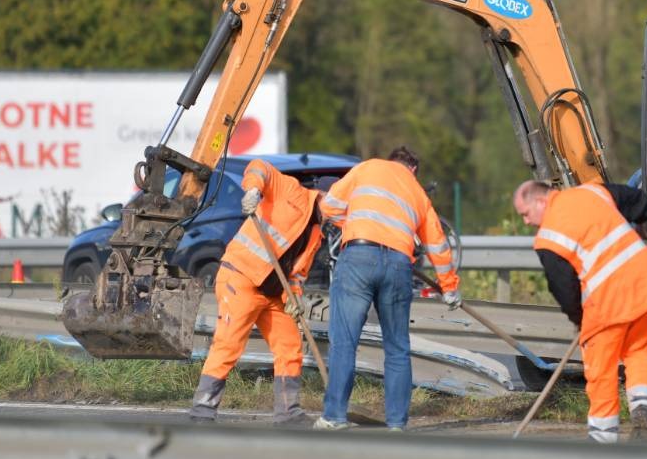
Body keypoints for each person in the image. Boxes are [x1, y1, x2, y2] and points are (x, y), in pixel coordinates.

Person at [513, 179, 647, 444]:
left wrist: (579, 320)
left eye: (526, 213)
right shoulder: (592, 191)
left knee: (601, 369)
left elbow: (563, 288)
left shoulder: (549, 237)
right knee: (638, 352)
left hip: (608, 300)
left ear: (540, 202)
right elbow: (637, 199)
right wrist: (645, 222)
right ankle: (643, 406)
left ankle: (602, 439)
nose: (526, 221)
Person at [316, 146, 459, 430]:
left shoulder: (367, 168)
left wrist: (356, 225)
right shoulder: (417, 192)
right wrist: (449, 287)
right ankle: (396, 423)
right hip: (398, 263)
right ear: (413, 170)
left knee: (345, 342)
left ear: (390, 160)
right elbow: (438, 245)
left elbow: (328, 206)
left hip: (358, 255)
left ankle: (334, 417)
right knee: (397, 348)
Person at [189, 158, 326, 425]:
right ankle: (202, 412)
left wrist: (293, 298)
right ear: (323, 197)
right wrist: (253, 189)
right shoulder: (290, 190)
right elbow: (259, 166)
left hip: (274, 293)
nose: (338, 216)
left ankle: (288, 413)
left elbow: (297, 273)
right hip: (241, 278)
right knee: (228, 345)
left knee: (290, 346)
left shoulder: (316, 234)